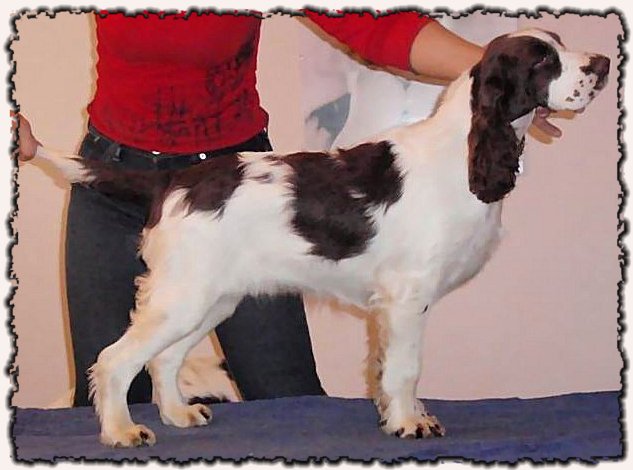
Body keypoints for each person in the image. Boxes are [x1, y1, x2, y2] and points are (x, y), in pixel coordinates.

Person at [15, 10, 561, 407]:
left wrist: (506, 76)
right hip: (112, 179)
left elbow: (376, 25)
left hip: (239, 196)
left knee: (287, 399)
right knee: (107, 402)